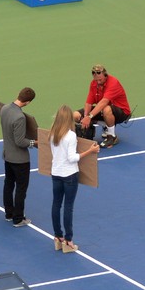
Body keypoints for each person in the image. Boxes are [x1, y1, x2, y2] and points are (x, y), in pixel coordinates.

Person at [50, 105, 99, 253]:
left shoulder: (53, 133)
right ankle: (68, 241)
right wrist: (90, 151)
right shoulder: (70, 136)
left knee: (56, 204)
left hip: (56, 173)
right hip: (69, 175)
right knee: (68, 207)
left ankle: (58, 237)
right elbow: (72, 158)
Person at [1, 87, 36, 227]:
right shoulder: (20, 117)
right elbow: (20, 141)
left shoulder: (4, 109)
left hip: (8, 155)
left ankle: (9, 213)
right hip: (20, 160)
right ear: (28, 102)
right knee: (21, 189)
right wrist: (34, 142)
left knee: (8, 185)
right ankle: (18, 218)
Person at [73, 64, 131, 149]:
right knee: (76, 115)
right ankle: (105, 125)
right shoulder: (94, 84)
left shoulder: (113, 82)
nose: (98, 82)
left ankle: (112, 137)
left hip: (121, 112)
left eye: (100, 79)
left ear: (105, 75)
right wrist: (85, 117)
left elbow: (104, 102)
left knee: (106, 108)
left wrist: (89, 117)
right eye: (96, 80)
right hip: (103, 110)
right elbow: (88, 103)